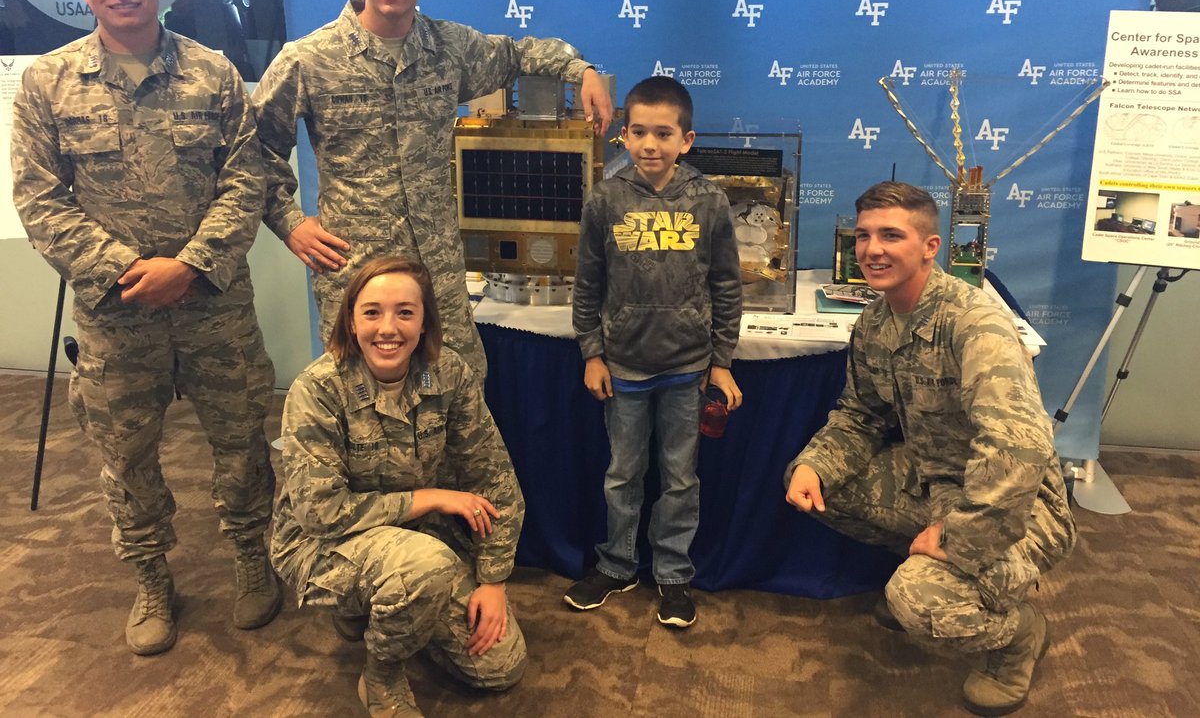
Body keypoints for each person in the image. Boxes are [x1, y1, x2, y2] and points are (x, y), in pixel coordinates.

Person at [10, 0, 279, 656]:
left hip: (214, 305)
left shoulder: (213, 73)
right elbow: (39, 200)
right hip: (115, 314)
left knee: (241, 441)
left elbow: (246, 179)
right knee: (126, 457)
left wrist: (188, 266)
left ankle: (252, 556)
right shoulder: (47, 83)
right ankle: (152, 576)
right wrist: (127, 271)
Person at [254, 0, 614, 379]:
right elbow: (254, 151)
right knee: (359, 397)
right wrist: (290, 223)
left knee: (459, 390)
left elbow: (519, 54)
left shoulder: (451, 48)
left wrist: (580, 69)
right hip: (357, 270)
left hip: (437, 272)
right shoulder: (308, 59)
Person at [783, 181, 1076, 716]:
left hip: (1019, 506)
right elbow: (860, 416)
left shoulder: (973, 322)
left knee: (918, 602)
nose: (873, 250)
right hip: (934, 478)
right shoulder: (875, 322)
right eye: (865, 235)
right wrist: (814, 466)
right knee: (820, 485)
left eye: (891, 235)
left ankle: (1017, 637)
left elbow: (1019, 453)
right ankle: (928, 569)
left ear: (929, 247)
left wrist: (957, 537)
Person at [271, 256, 526, 717]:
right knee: (423, 568)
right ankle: (382, 675)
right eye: (372, 312)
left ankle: (395, 604)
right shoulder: (318, 389)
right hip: (321, 543)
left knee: (500, 668)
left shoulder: (448, 374)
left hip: (414, 538)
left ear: (424, 319)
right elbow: (321, 514)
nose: (388, 328)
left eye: (405, 312)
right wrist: (428, 498)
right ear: (351, 319)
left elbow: (494, 477)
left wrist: (494, 580)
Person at [563, 76, 743, 629]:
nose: (650, 145)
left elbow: (727, 286)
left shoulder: (708, 200)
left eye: (663, 134)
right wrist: (592, 352)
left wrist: (721, 361)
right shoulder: (606, 198)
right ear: (622, 134)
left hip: (687, 368)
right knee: (623, 473)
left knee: (680, 478)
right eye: (639, 131)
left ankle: (673, 573)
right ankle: (618, 564)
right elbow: (587, 284)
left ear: (686, 140)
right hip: (624, 368)